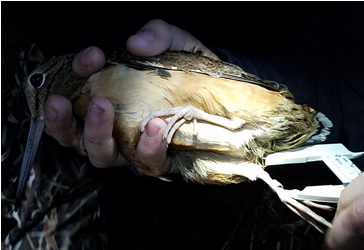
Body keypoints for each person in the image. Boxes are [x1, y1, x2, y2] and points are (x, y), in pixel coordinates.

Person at [44, 19, 364, 250]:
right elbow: (337, 71)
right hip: (307, 119)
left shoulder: (110, 69)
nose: (40, 114)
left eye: (37, 84)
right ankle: (282, 188)